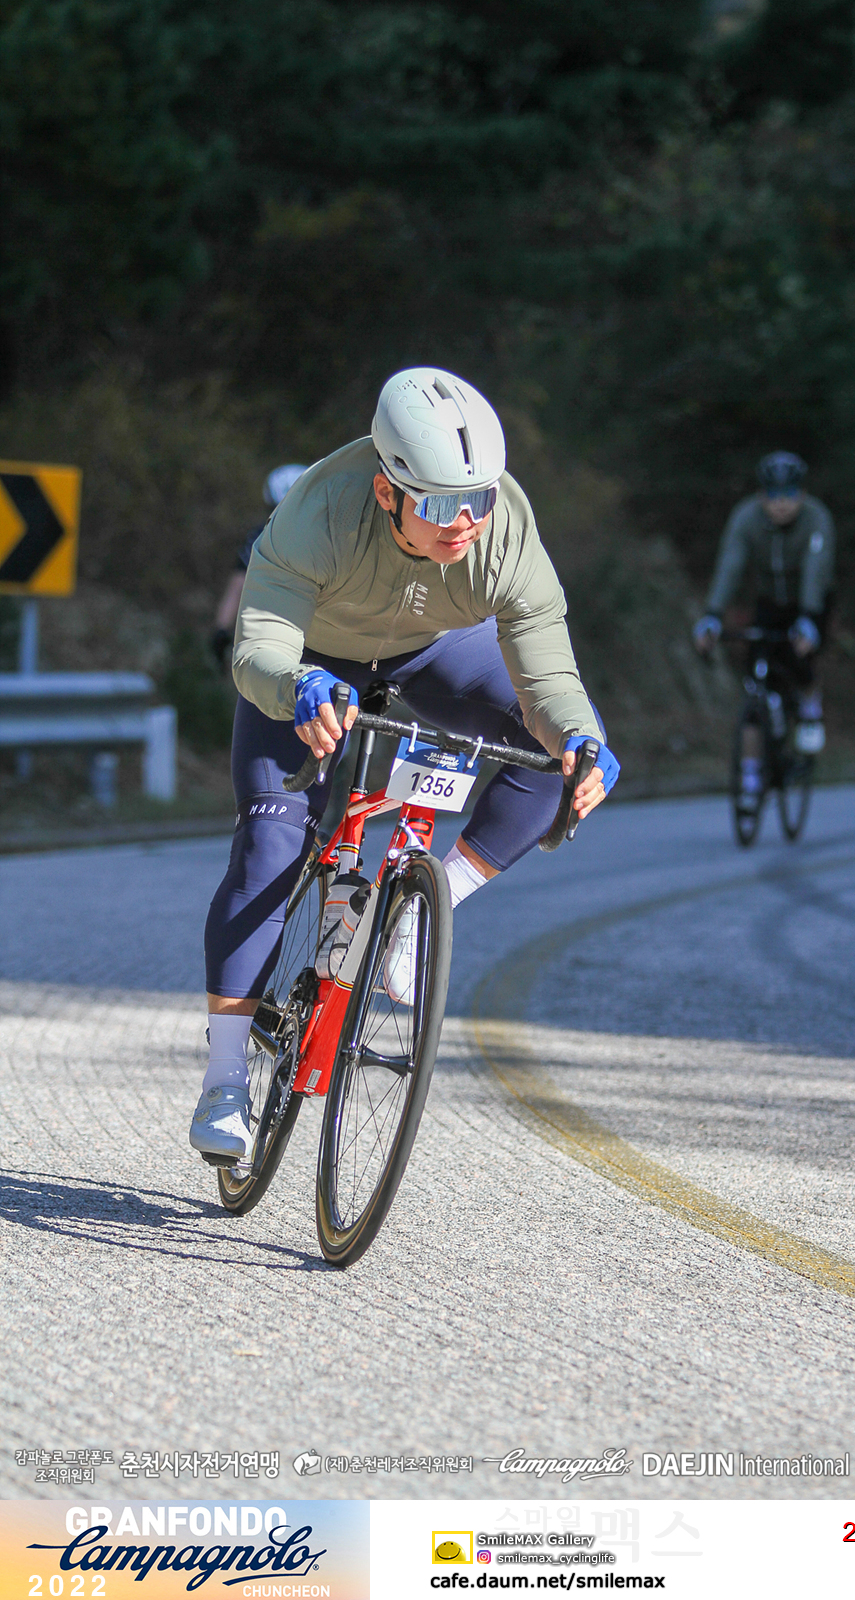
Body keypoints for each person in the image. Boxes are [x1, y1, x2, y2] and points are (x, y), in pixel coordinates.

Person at [190, 368, 620, 1162]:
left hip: (436, 651)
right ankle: (224, 1078)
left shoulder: (502, 524)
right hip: (315, 662)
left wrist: (579, 736)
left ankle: (423, 911)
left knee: (556, 760)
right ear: (387, 491)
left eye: (477, 500)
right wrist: (296, 686)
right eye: (442, 505)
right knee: (269, 846)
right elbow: (258, 651)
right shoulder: (317, 512)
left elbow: (547, 674)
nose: (467, 521)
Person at [692, 452, 836, 808]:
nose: (781, 504)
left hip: (811, 600)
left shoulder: (816, 518)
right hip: (770, 602)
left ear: (802, 495)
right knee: (756, 687)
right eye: (773, 496)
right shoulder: (746, 517)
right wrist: (713, 613)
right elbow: (731, 563)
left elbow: (816, 567)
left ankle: (810, 706)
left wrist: (809, 617)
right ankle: (752, 774)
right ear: (762, 496)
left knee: (802, 659)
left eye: (789, 495)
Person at [211, 465, 308, 669]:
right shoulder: (335, 536)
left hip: (276, 636)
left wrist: (221, 631)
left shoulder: (260, 536)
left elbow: (238, 586)